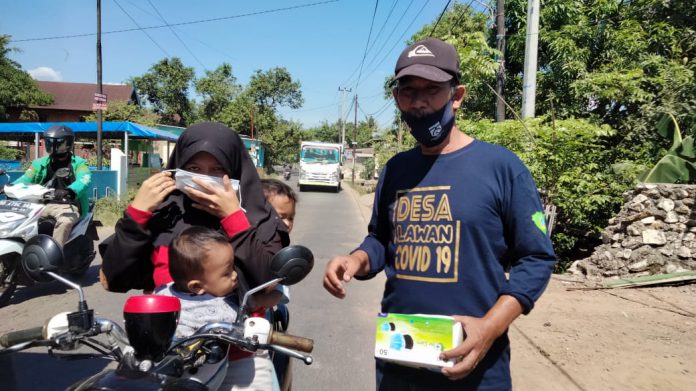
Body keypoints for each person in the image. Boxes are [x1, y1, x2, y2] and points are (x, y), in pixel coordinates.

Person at [323, 38, 557, 390]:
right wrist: (356, 259)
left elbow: (537, 257)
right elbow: (381, 240)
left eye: (432, 90)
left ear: (457, 95)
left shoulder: (501, 168)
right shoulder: (396, 169)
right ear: (397, 97)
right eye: (408, 91)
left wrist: (490, 327)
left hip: (475, 365)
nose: (418, 103)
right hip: (399, 358)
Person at [99, 121, 288, 294]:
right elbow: (114, 280)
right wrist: (137, 215)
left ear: (235, 170)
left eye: (218, 169)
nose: (202, 180)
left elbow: (268, 285)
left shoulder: (257, 217)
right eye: (194, 169)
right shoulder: (164, 213)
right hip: (166, 328)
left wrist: (234, 218)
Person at [156, 226, 277, 391]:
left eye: (232, 268)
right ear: (197, 286)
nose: (235, 275)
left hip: (208, 377)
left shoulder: (227, 308)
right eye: (227, 273)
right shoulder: (165, 295)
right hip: (169, 372)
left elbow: (241, 334)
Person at [13, 125, 91, 246]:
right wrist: (10, 187)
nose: (54, 146)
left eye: (59, 143)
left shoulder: (79, 163)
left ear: (69, 144)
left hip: (67, 205)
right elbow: (26, 178)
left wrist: (70, 191)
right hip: (40, 204)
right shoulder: (39, 163)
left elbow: (85, 180)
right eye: (50, 142)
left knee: (65, 221)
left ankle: (55, 257)